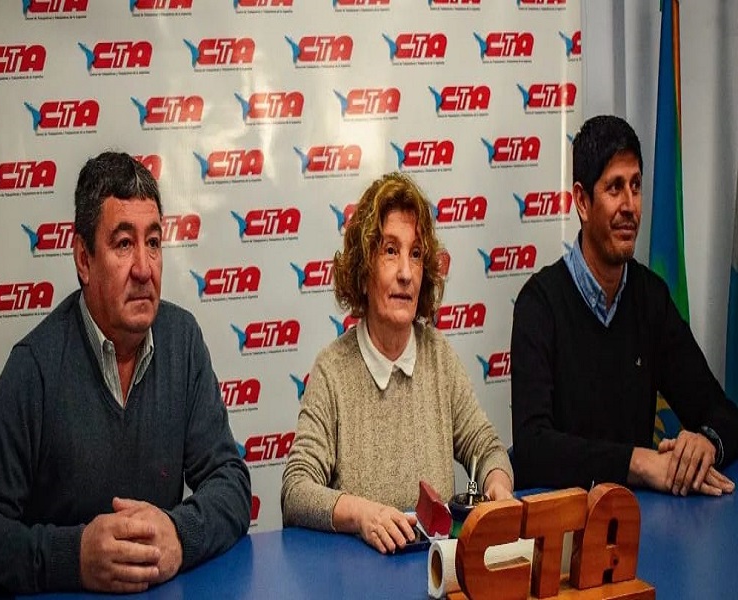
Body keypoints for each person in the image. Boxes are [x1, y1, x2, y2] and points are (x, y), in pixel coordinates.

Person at [0, 152, 251, 593]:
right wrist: (75, 556)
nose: (144, 268)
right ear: (84, 260)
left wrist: (181, 534)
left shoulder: (182, 341)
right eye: (123, 244)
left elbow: (231, 482)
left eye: (153, 242)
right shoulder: (36, 365)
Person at [281, 172, 512, 554]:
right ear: (363, 270)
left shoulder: (439, 356)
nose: (406, 273)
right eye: (390, 251)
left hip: (432, 571)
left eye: (416, 254)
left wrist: (498, 484)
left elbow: (486, 447)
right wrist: (362, 515)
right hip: (359, 576)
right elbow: (296, 490)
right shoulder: (332, 370)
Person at [511, 115, 738, 496]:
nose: (630, 206)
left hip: (640, 519)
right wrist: (639, 463)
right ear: (582, 201)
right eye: (615, 188)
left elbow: (721, 411)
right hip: (565, 524)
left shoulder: (651, 298)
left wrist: (707, 443)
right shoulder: (539, 304)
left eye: (636, 186)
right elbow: (533, 448)